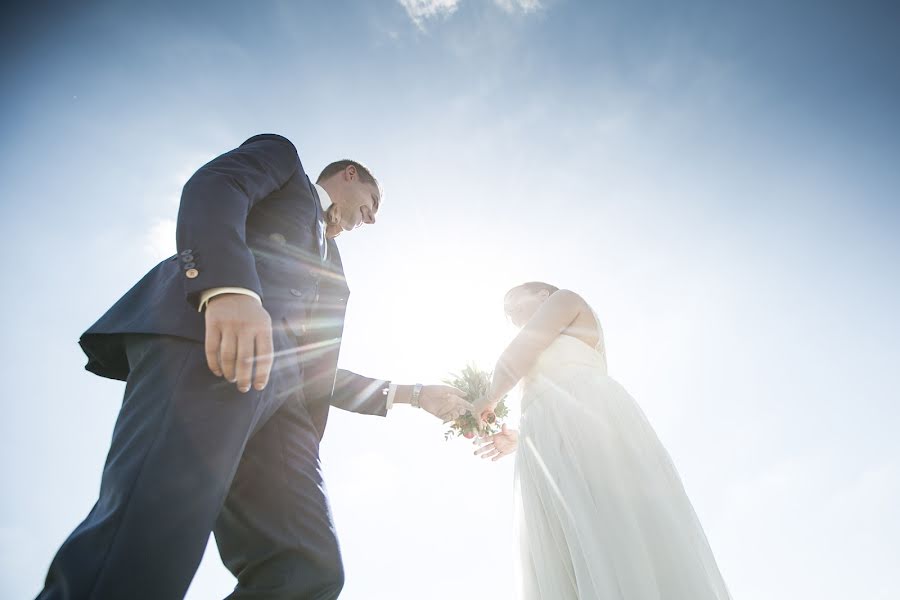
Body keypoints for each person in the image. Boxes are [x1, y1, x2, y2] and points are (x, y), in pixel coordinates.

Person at [36, 133, 471, 600]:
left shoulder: (336, 265)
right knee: (150, 525)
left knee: (306, 570)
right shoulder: (283, 161)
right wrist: (228, 290)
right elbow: (215, 186)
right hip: (208, 341)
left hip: (285, 410)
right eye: (372, 199)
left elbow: (315, 366)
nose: (373, 216)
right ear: (349, 175)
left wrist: (415, 394)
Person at [473, 282, 731, 599]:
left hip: (587, 419)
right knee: (569, 545)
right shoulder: (542, 330)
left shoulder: (565, 300)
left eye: (514, 301)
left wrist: (486, 398)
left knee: (608, 530)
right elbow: (539, 387)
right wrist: (522, 437)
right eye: (505, 311)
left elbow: (522, 351)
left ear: (542, 294)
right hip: (544, 437)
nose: (509, 312)